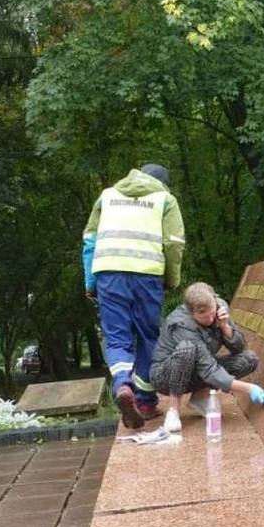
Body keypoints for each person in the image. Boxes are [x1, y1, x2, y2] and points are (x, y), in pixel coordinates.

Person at [81, 163, 185, 430]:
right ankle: (146, 402)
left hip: (109, 274)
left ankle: (121, 385)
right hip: (147, 276)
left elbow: (90, 240)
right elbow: (174, 243)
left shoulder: (107, 195)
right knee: (148, 337)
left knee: (117, 337)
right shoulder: (165, 199)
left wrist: (91, 281)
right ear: (163, 182)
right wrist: (172, 279)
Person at [150, 281, 264, 432]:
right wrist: (248, 388)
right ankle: (173, 412)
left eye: (213, 314)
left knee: (248, 360)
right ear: (191, 312)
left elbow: (239, 347)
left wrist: (225, 326)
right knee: (187, 349)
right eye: (205, 317)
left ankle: (200, 397)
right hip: (165, 376)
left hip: (198, 368)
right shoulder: (182, 324)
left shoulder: (219, 308)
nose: (211, 320)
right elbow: (209, 370)